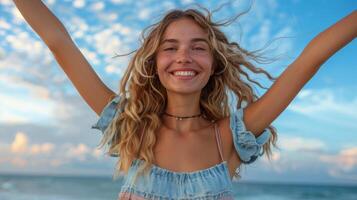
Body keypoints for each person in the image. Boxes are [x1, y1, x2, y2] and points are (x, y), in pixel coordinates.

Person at [13, 0, 356, 199]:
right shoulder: (132, 127)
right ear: (154, 64)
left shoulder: (230, 136)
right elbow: (58, 41)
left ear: (214, 64)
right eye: (171, 47)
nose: (184, 57)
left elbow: (311, 59)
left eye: (198, 47)